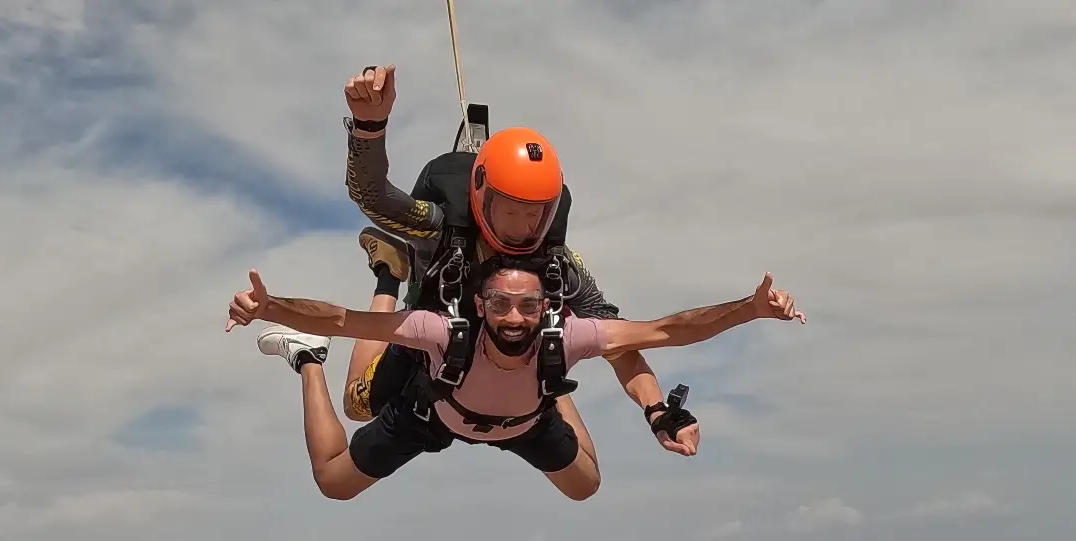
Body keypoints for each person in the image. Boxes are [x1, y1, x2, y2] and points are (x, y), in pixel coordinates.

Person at [338, 63, 701, 456]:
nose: (522, 228)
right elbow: (372, 197)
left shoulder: (559, 264)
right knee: (358, 406)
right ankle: (389, 273)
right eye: (508, 210)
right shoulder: (441, 227)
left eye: (536, 213)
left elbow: (619, 342)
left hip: (507, 356)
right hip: (433, 336)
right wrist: (369, 126)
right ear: (479, 197)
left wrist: (656, 409)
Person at [224, 260, 805, 501]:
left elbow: (666, 331)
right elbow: (344, 321)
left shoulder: (568, 333)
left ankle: (552, 390)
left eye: (528, 307)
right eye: (500, 305)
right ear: (480, 303)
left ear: (545, 306)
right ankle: (308, 363)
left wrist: (748, 309)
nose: (513, 319)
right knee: (334, 481)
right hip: (436, 414)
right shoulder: (442, 330)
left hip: (526, 420)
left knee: (586, 485)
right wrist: (273, 309)